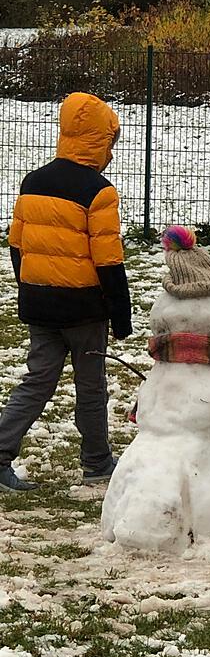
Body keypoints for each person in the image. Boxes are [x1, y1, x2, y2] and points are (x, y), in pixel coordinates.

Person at [0, 92, 132, 492]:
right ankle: (96, 461)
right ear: (100, 140)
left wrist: (30, 287)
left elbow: (17, 245)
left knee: (37, 381)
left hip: (39, 303)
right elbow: (108, 261)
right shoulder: (99, 191)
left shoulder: (33, 182)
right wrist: (120, 315)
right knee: (91, 386)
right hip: (84, 309)